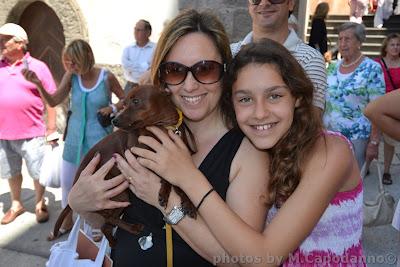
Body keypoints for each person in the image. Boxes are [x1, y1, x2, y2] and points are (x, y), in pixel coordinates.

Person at [120, 39, 365, 265]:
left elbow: (263, 258)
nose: (260, 113)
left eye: (275, 96)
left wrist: (186, 178)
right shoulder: (259, 149)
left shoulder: (331, 152)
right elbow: (228, 249)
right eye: (245, 99)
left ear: (298, 97)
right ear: (232, 103)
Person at [68, 9, 268, 266]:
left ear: (225, 73)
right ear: (161, 78)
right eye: (175, 71)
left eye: (205, 69)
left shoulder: (246, 154)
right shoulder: (141, 132)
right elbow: (104, 224)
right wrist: (82, 206)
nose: (190, 85)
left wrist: (165, 200)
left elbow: (241, 260)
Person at [23, 39, 125, 240]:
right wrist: (38, 84)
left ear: (87, 57)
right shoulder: (72, 77)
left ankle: (99, 223)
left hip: (99, 144)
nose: (70, 66)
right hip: (73, 143)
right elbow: (53, 100)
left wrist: (112, 108)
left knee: (99, 185)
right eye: (67, 62)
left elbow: (125, 99)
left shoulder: (106, 77)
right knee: (68, 185)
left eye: (74, 62)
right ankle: (67, 222)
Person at [0, 23, 57, 225]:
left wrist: (51, 128)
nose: (1, 43)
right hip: (3, 133)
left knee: (37, 171)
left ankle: (39, 203)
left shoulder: (37, 67)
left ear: (20, 43)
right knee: (11, 171)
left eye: (5, 39)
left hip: (32, 132)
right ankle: (16, 204)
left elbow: (51, 98)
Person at [231, 0, 327, 118]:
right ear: (249, 5)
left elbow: (310, 124)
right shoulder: (230, 53)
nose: (264, 3)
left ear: (291, 3)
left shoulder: (310, 59)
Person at [323, 22, 385, 170]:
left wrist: (374, 142)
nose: (342, 43)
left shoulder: (372, 68)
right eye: (340, 39)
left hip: (356, 138)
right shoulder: (332, 67)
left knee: (351, 184)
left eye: (348, 39)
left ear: (359, 42)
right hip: (329, 135)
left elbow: (378, 108)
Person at [373, 33, 400, 184]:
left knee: (393, 140)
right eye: (393, 45)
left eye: (398, 45)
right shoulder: (378, 64)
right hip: (381, 107)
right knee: (381, 140)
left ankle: (387, 171)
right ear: (386, 47)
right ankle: (379, 168)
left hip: (397, 107)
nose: (396, 47)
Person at [121, 19, 156, 94]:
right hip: (130, 85)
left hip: (148, 87)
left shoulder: (155, 49)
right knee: (125, 105)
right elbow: (125, 66)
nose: (135, 32)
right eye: (135, 29)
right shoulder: (128, 49)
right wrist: (144, 65)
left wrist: (133, 67)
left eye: (139, 30)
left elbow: (153, 68)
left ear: (148, 33)